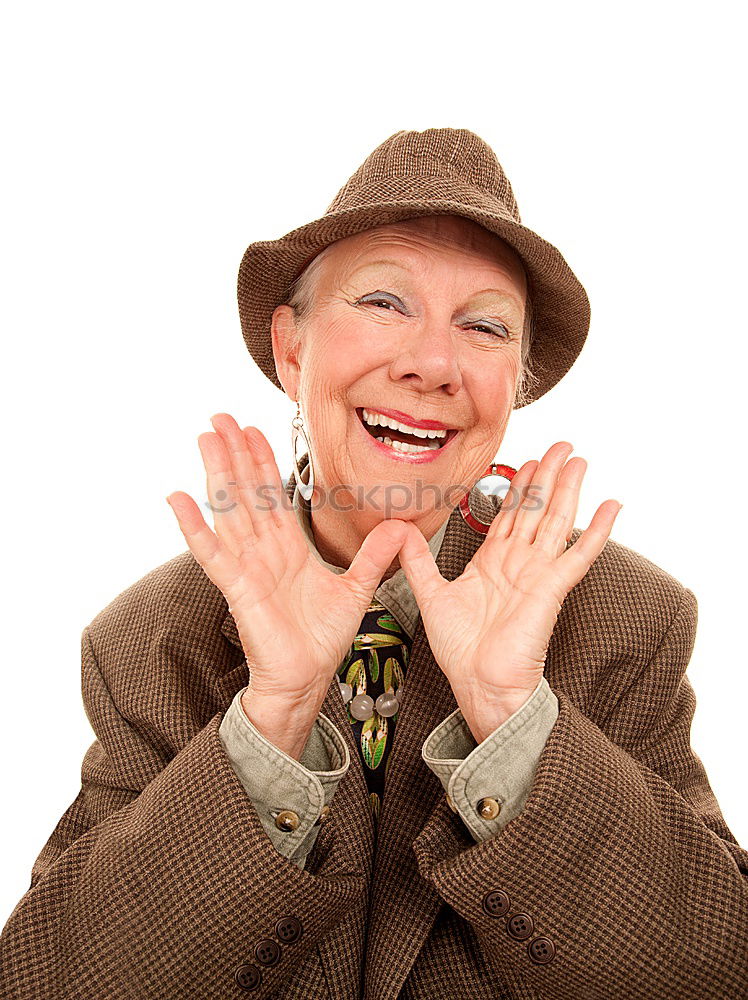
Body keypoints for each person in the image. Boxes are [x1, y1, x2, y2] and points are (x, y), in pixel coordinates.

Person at [1, 128, 746, 1000]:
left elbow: (717, 970)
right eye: (384, 303)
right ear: (290, 350)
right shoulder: (146, 643)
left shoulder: (627, 619)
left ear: (517, 382)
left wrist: (514, 722)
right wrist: (270, 720)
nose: (432, 364)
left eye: (484, 326)